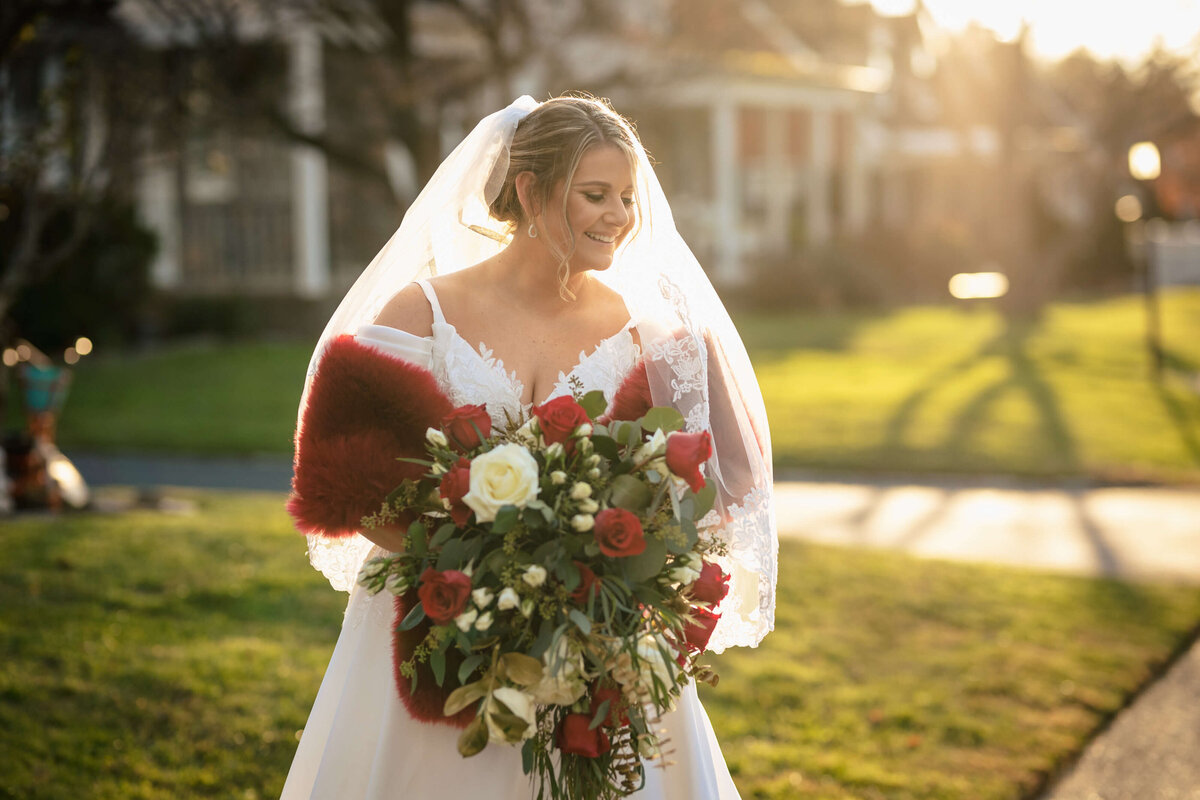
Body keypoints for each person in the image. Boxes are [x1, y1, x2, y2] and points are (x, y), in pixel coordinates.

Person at [281, 94, 777, 800]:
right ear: (528, 191)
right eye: (595, 194)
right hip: (440, 636)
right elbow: (346, 487)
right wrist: (487, 582)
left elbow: (717, 491)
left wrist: (600, 574)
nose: (620, 216)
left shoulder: (654, 335)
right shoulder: (421, 313)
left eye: (628, 197)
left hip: (598, 646)